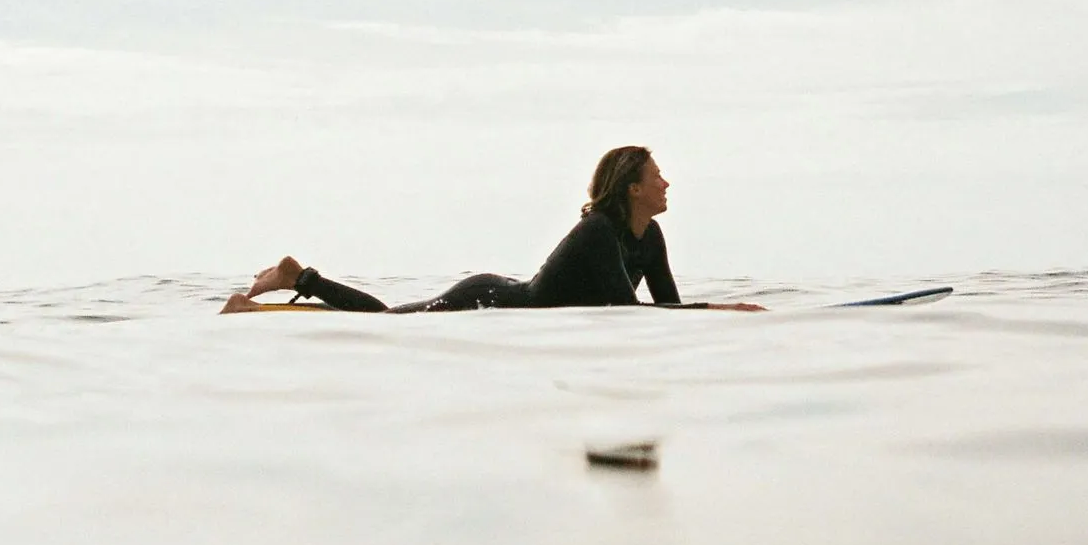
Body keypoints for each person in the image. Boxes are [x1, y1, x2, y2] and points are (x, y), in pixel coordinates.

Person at [221, 146, 762, 313]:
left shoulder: (650, 238)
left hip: (507, 299)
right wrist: (722, 312)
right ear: (632, 189)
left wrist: (714, 316)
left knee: (388, 324)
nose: (667, 183)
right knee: (387, 325)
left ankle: (295, 282)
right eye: (656, 176)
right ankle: (301, 277)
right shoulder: (600, 230)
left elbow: (666, 310)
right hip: (487, 302)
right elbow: (628, 314)